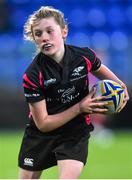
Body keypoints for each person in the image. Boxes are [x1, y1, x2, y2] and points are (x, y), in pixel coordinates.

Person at [18, 6, 129, 179]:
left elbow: (107, 75)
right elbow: (43, 124)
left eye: (49, 31)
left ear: (64, 31)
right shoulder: (33, 75)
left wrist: (121, 89)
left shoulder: (83, 57)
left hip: (75, 132)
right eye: (38, 34)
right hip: (41, 134)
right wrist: (80, 107)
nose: (44, 38)